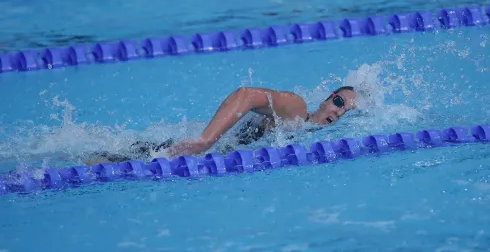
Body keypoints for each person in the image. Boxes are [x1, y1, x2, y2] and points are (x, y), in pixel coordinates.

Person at [83, 85, 356, 164]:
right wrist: (206, 140)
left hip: (202, 160)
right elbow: (245, 95)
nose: (338, 113)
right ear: (327, 98)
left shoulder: (320, 144)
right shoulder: (295, 109)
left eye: (349, 112)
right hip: (185, 151)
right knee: (99, 162)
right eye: (340, 102)